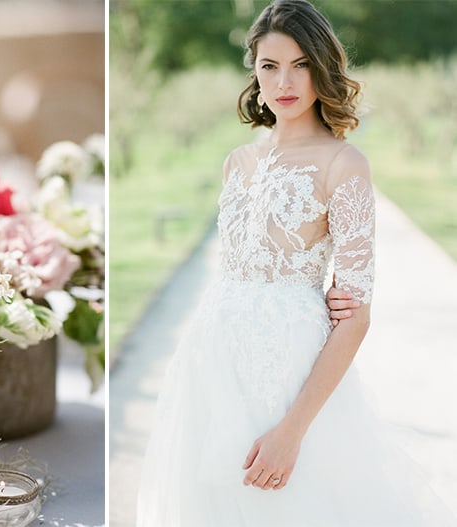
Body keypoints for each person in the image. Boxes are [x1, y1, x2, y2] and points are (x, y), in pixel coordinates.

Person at [135, 1, 457, 525]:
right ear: (255, 73)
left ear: (322, 68)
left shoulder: (343, 165)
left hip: (287, 378)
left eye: (301, 64)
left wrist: (292, 430)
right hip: (211, 370)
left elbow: (356, 315)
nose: (284, 81)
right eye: (269, 66)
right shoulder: (236, 162)